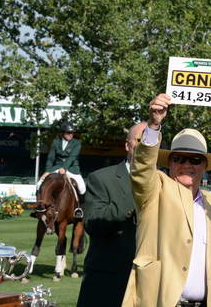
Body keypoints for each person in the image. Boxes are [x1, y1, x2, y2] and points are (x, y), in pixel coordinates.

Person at [122, 93, 211, 307]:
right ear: (168, 162)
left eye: (195, 160)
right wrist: (153, 125)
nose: (187, 164)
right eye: (179, 158)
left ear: (205, 166)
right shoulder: (154, 191)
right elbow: (141, 170)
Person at [76, 122, 147, 307]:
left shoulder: (166, 182)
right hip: (107, 283)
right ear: (127, 145)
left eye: (151, 142)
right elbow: (93, 223)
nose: (145, 146)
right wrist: (139, 190)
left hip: (150, 285)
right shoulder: (100, 178)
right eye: (140, 140)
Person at [38, 121, 85, 218]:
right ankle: (40, 207)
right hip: (56, 167)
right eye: (68, 133)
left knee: (82, 188)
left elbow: (72, 157)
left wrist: (64, 168)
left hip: (72, 168)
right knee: (39, 183)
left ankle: (79, 209)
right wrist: (47, 171)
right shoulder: (56, 142)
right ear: (63, 133)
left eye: (72, 133)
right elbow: (51, 158)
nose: (71, 135)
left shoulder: (77, 143)